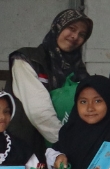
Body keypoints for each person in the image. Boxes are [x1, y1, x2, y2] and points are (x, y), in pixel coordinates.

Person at [8, 8, 93, 149]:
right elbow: (39, 112)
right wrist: (67, 144)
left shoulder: (79, 70)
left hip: (67, 146)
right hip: (29, 147)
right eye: (71, 28)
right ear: (57, 27)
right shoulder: (27, 59)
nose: (75, 36)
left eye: (82, 34)